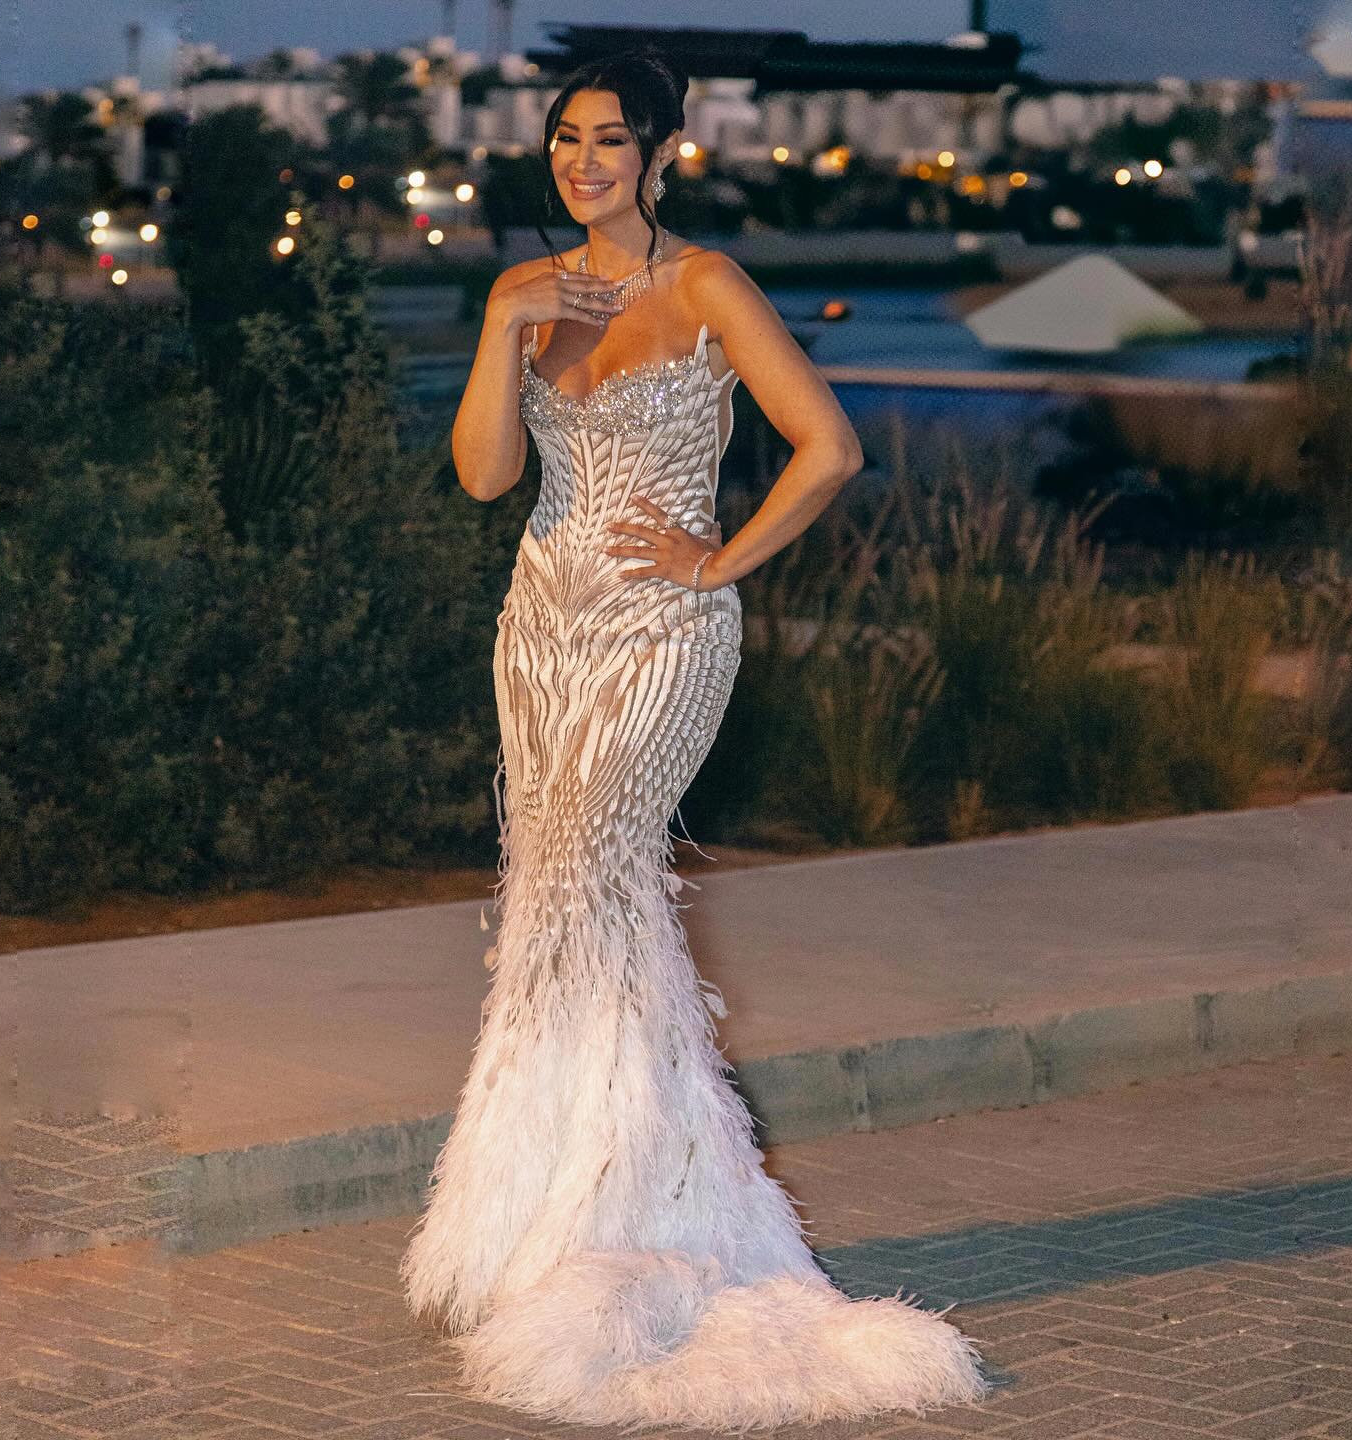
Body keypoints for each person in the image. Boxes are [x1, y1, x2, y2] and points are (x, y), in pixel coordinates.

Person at [399, 44, 988, 1431]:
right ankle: (547, 1205)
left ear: (661, 155)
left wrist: (719, 564)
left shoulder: (708, 282)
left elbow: (828, 448)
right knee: (552, 903)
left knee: (593, 871)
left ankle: (639, 1208)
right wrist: (501, 319)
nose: (583, 162)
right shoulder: (530, 294)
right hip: (542, 630)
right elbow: (485, 475)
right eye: (566, 140)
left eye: (611, 140)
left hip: (663, 629)